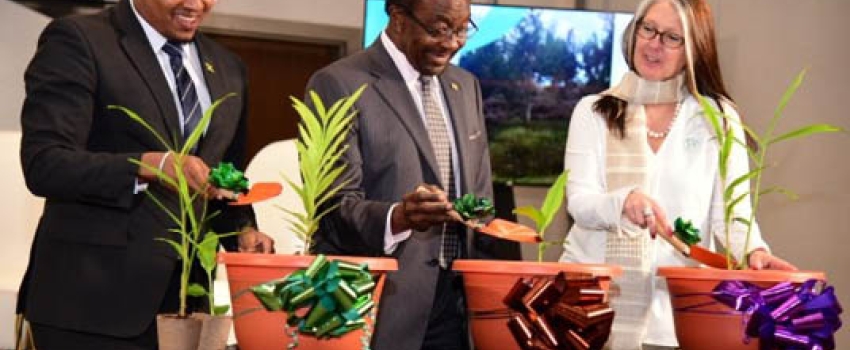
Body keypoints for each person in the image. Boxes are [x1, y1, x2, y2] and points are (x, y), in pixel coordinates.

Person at [17, 0, 274, 348]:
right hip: (90, 307)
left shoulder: (229, 67)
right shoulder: (80, 39)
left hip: (188, 309)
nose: (196, 4)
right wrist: (151, 167)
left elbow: (224, 172)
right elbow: (46, 163)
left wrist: (242, 230)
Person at [558, 0, 796, 349]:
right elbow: (579, 202)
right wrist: (624, 202)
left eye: (672, 37)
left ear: (694, 49)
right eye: (648, 29)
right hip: (591, 309)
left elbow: (731, 216)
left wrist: (753, 253)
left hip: (676, 316)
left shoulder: (717, 116)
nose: (654, 44)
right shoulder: (593, 111)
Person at [305, 0, 519, 349]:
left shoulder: (466, 86)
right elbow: (333, 206)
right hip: (380, 304)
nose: (452, 42)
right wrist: (399, 217)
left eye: (462, 29)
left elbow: (480, 201)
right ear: (399, 18)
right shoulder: (338, 83)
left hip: (457, 308)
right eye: (438, 29)